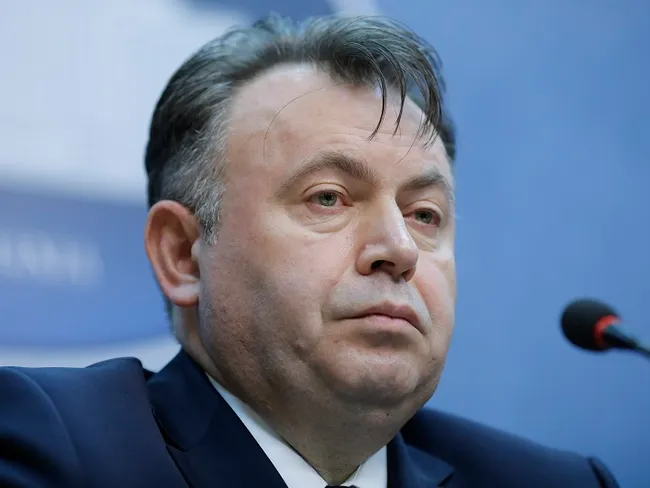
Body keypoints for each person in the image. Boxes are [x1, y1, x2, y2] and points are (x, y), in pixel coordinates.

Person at [0, 13, 619, 488]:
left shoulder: (554, 483)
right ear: (184, 255)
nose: (399, 249)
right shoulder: (54, 449)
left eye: (424, 214)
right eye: (328, 198)